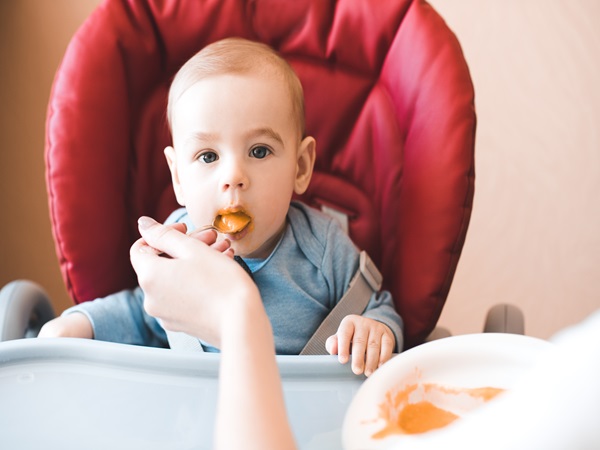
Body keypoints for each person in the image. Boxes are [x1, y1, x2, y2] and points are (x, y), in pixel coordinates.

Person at [38, 37, 403, 376]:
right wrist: (81, 323)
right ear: (178, 176)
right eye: (208, 155)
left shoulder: (322, 248)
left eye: (259, 151)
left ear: (301, 166)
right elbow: (143, 313)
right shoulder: (179, 247)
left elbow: (378, 305)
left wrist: (376, 329)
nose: (233, 177)